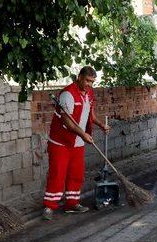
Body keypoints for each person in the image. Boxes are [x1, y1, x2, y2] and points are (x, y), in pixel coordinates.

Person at [42, 66, 109, 220]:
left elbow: (91, 115)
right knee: (58, 174)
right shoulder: (67, 94)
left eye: (92, 82)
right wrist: (84, 134)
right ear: (79, 77)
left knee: (76, 173)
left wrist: (101, 125)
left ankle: (72, 204)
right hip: (60, 142)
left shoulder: (90, 94)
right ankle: (49, 206)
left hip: (78, 142)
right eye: (87, 81)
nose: (89, 85)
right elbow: (67, 122)